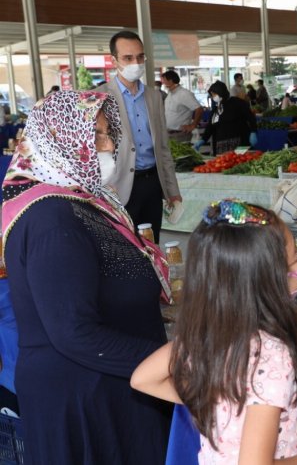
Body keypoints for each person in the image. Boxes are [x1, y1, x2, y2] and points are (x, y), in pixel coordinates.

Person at [2, 90, 173, 464]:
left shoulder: (84, 202)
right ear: (58, 139)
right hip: (84, 398)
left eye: (109, 134)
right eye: (95, 135)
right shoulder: (51, 219)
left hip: (114, 385)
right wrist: (175, 362)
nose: (110, 145)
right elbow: (74, 333)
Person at [131, 200, 297, 464]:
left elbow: (142, 378)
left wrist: (213, 403)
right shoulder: (272, 356)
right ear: (268, 280)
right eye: (296, 256)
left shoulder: (206, 334)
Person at [103, 30, 181, 244]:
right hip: (118, 187)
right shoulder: (100, 97)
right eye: (128, 58)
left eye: (139, 57)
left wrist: (173, 191)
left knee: (152, 245)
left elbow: (163, 148)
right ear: (114, 60)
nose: (135, 63)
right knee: (124, 247)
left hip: (152, 184)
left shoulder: (154, 97)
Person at [196, 81, 254, 155]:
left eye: (214, 94)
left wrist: (253, 131)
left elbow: (250, 117)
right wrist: (203, 140)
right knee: (224, 164)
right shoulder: (216, 109)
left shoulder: (238, 103)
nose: (213, 97)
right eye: (212, 95)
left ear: (221, 92)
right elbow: (211, 126)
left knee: (239, 162)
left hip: (240, 143)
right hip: (221, 145)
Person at [161, 70, 203, 143]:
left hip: (180, 135)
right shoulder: (170, 94)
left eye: (164, 80)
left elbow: (199, 109)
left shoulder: (184, 94)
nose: (163, 83)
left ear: (170, 81)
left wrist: (193, 125)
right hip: (169, 134)